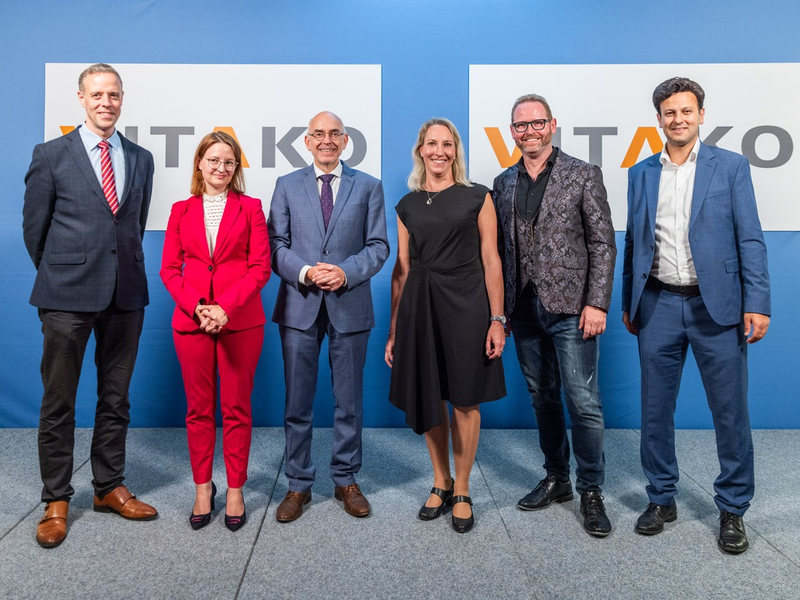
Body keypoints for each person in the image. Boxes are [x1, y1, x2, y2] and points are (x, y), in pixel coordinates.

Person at [622, 77, 771, 554]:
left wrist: (758, 301)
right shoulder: (641, 172)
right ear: (659, 118)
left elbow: (750, 237)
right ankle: (661, 498)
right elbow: (634, 243)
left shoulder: (730, 167)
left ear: (701, 115)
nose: (678, 119)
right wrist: (630, 300)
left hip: (718, 307)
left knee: (729, 413)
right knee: (654, 411)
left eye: (686, 111)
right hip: (658, 304)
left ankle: (732, 507)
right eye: (669, 112)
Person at [22, 63, 158, 548]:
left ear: (122, 99)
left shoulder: (141, 158)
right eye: (97, 94)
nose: (107, 102)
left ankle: (108, 487)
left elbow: (132, 227)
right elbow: (34, 231)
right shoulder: (51, 154)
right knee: (58, 402)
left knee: (115, 398)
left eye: (114, 94)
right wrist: (64, 273)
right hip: (65, 296)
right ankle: (56, 498)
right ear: (80, 97)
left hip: (125, 295)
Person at [492, 94, 616, 538]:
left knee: (583, 403)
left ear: (552, 125)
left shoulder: (583, 174)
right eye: (521, 126)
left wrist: (597, 302)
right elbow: (501, 251)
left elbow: (602, 242)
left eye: (537, 123)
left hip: (572, 309)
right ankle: (558, 478)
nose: (530, 132)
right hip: (522, 309)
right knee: (542, 397)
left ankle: (591, 490)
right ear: (512, 132)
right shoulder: (502, 182)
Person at [385, 118, 506, 534]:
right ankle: (441, 480)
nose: (440, 151)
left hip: (468, 304)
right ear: (421, 150)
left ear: (456, 151)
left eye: (447, 144)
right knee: (428, 394)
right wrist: (394, 331)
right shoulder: (407, 204)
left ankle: (464, 487)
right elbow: (401, 270)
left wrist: (497, 319)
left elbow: (492, 260)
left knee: (465, 398)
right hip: (420, 305)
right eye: (432, 143)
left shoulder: (478, 197)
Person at [268, 111, 389, 522]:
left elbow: (377, 246)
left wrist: (344, 272)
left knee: (348, 402)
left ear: (345, 140)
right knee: (296, 403)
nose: (326, 140)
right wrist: (305, 272)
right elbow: (276, 245)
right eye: (318, 134)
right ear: (306, 141)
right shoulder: (286, 186)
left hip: (350, 305)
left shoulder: (369, 186)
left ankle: (346, 479)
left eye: (334, 134)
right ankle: (298, 484)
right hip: (299, 306)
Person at [160, 131, 270, 532]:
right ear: (199, 163)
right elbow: (170, 270)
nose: (221, 168)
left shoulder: (252, 208)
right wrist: (198, 308)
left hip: (240, 321)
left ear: (235, 168)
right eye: (213, 160)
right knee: (198, 410)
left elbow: (261, 266)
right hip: (192, 324)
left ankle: (236, 488)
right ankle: (203, 488)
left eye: (229, 162)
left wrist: (226, 308)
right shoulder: (180, 210)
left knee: (237, 408)